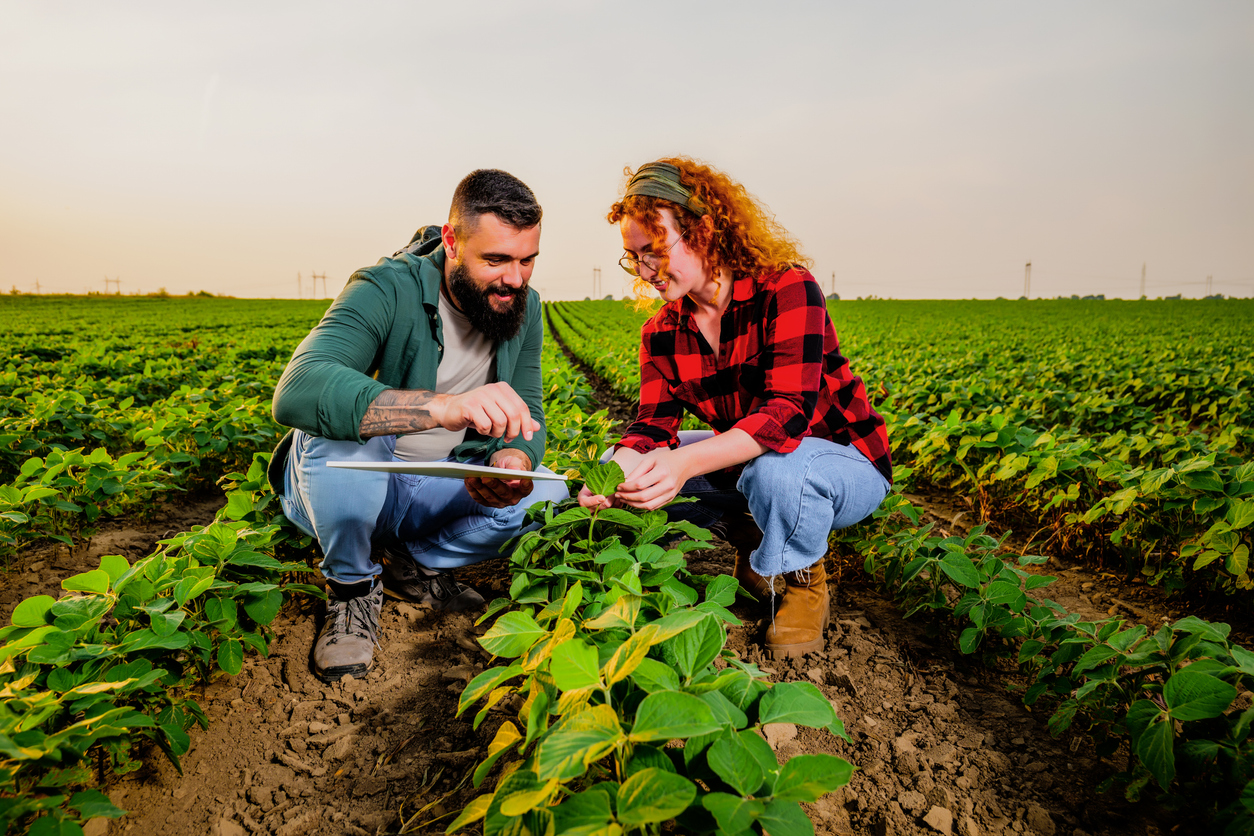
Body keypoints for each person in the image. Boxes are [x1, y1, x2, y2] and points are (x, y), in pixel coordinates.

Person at [579, 158, 893, 658]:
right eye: (632, 257)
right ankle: (752, 541)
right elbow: (653, 425)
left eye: (654, 251)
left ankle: (804, 582)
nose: (643, 271)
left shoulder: (786, 288)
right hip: (757, 458)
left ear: (703, 231)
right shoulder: (661, 332)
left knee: (777, 472)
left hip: (841, 460)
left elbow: (787, 412)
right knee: (631, 475)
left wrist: (682, 463)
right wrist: (617, 472)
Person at [269, 169, 569, 682]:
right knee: (342, 433)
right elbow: (300, 389)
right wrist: (443, 407)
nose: (514, 279)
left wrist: (510, 459)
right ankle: (352, 588)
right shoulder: (385, 285)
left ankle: (411, 563)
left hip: (437, 478)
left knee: (549, 494)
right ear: (452, 242)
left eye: (527, 260)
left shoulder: (526, 305)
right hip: (352, 481)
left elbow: (528, 409)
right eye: (495, 260)